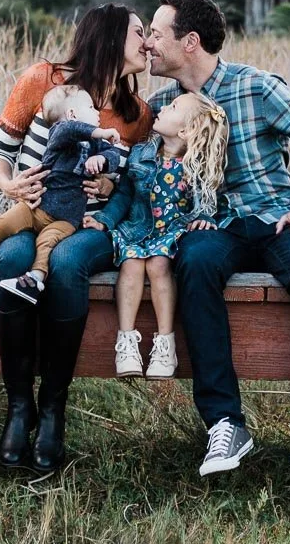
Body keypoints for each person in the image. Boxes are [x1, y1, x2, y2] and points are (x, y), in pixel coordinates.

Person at [145, 0, 290, 477]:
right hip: (214, 226)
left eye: (156, 34)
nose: (150, 43)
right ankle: (224, 424)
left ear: (190, 42)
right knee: (194, 261)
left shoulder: (256, 87)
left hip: (277, 217)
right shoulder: (160, 108)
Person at [0, 4, 153, 471]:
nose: (147, 43)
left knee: (66, 261)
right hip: (36, 213)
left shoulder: (136, 114)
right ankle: (19, 406)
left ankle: (53, 407)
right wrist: (9, 185)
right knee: (12, 258)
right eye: (139, 32)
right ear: (111, 37)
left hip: (92, 227)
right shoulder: (43, 80)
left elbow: (137, 182)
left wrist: (111, 185)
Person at [86, 91, 230, 380]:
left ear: (185, 131)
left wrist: (203, 218)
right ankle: (126, 342)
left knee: (158, 264)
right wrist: (104, 219)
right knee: (130, 264)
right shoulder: (141, 154)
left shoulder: (194, 164)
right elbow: (124, 194)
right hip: (137, 229)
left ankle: (165, 342)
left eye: (173, 107)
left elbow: (207, 200)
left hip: (171, 233)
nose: (162, 108)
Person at [0, 85, 126, 302]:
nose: (97, 112)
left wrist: (103, 159)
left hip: (67, 218)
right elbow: (71, 129)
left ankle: (35, 279)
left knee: (47, 243)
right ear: (72, 114)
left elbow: (113, 154)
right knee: (4, 223)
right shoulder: (60, 133)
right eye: (91, 107)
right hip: (37, 207)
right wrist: (103, 132)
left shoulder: (96, 144)